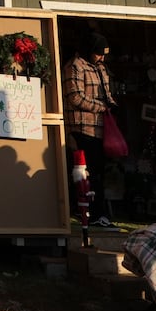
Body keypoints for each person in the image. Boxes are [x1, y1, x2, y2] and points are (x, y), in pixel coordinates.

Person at [64, 33, 117, 227]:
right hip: (81, 127)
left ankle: (99, 213)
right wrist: (101, 107)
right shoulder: (75, 65)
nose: (102, 57)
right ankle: (89, 212)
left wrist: (112, 104)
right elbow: (75, 96)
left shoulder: (100, 68)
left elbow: (107, 93)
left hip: (101, 128)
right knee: (86, 172)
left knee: (99, 172)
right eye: (98, 54)